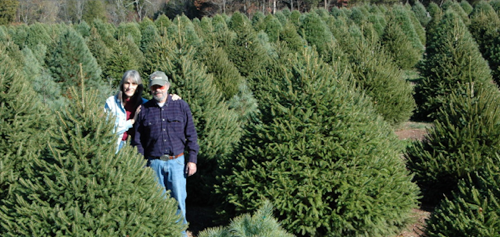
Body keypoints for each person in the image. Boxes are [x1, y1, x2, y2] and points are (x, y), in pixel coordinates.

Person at [132, 71, 199, 237]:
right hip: (154, 164)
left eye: (161, 86)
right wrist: (142, 164)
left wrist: (192, 160)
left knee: (179, 202)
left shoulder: (181, 105)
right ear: (150, 89)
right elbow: (137, 140)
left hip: (176, 162)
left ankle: (181, 234)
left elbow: (191, 134)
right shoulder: (144, 110)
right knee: (157, 202)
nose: (158, 90)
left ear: (167, 86)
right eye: (154, 87)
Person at [104, 70, 181, 153]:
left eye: (134, 84)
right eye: (127, 83)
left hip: (136, 148)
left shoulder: (145, 104)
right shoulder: (111, 102)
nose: (130, 87)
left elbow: (160, 108)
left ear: (138, 86)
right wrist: (132, 121)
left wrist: (172, 97)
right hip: (115, 146)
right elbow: (108, 130)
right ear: (122, 84)